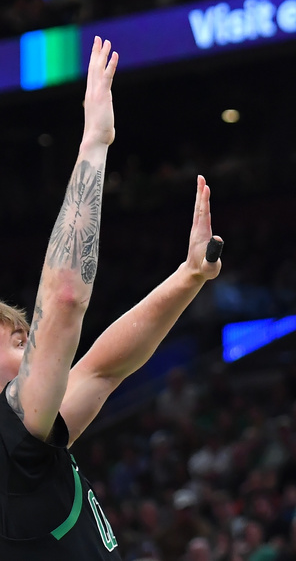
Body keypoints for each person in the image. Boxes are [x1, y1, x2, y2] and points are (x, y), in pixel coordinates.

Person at [0, 37, 223, 559]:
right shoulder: (10, 442)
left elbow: (104, 367)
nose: (34, 345)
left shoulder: (27, 435)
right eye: (23, 339)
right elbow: (64, 298)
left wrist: (189, 277)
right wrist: (94, 143)